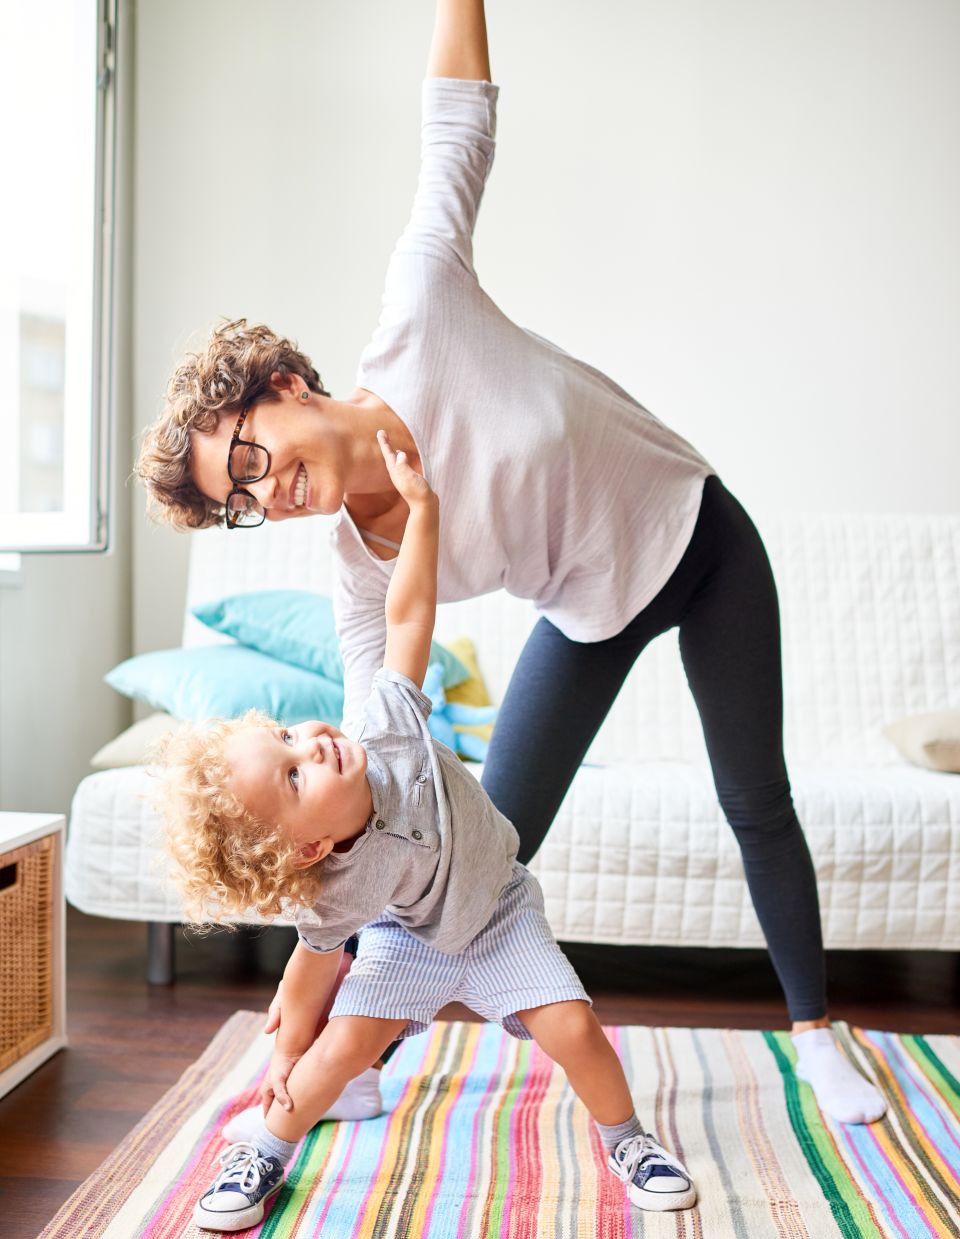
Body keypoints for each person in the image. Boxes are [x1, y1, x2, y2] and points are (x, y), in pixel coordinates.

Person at [138, 0, 885, 1127]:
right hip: (587, 613)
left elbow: (456, 128)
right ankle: (362, 1071)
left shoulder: (423, 309)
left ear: (282, 385)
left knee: (755, 797)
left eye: (250, 456)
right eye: (240, 498)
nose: (264, 490)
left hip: (701, 537)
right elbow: (376, 732)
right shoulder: (356, 564)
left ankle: (819, 1033)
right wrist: (311, 896)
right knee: (471, 845)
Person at [156, 436, 697, 1231]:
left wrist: (424, 512)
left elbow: (407, 611)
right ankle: (265, 1151)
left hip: (499, 911)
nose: (312, 743)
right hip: (408, 939)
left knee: (574, 1026)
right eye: (295, 775)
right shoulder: (331, 888)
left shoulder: (387, 728)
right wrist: (284, 1058)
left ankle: (629, 1141)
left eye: (289, 737)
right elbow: (306, 979)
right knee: (337, 1055)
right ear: (306, 848)